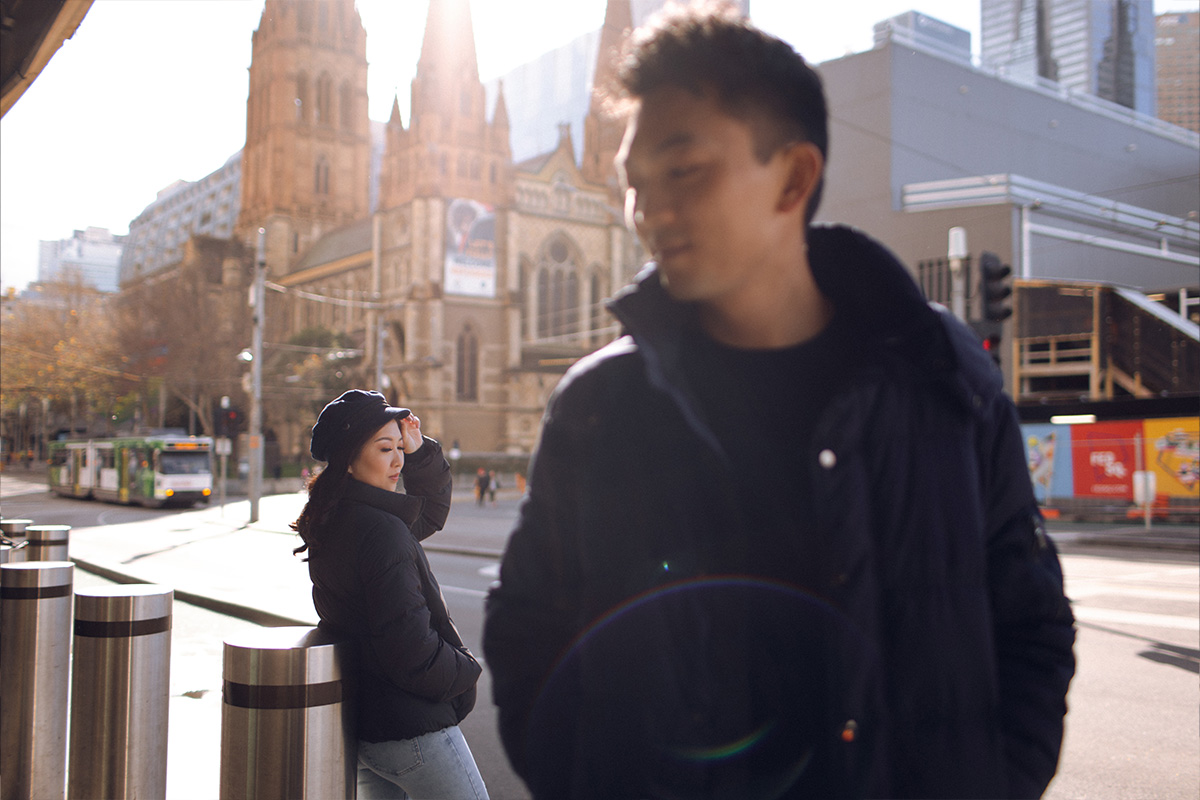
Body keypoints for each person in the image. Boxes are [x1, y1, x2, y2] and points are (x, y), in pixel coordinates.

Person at [482, 6, 1075, 800]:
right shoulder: (599, 408)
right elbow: (528, 635)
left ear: (794, 177)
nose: (648, 212)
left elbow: (1030, 615)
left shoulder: (942, 377)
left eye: (684, 170)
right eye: (634, 184)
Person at [293, 389, 489, 799]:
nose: (398, 459)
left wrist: (420, 454)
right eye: (386, 448)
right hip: (412, 730)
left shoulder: (336, 516)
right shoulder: (381, 531)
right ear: (350, 457)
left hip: (366, 727)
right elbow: (411, 650)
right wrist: (467, 669)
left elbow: (429, 512)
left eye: (400, 447)